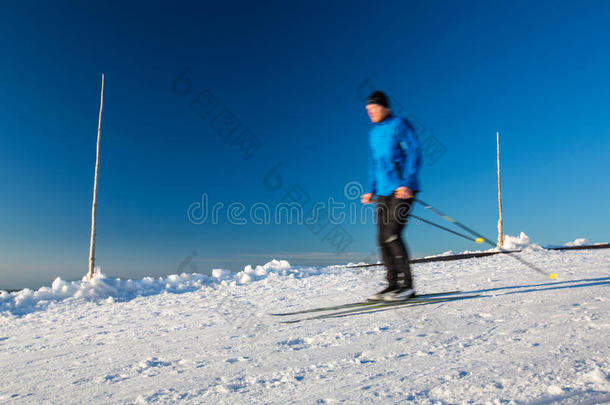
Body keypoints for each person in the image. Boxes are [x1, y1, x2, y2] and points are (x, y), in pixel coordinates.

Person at [361, 90, 422, 301]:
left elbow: (414, 151)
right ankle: (392, 284)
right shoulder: (373, 134)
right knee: (381, 238)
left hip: (403, 190)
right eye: (367, 110)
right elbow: (374, 163)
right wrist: (370, 189)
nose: (370, 113)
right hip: (383, 192)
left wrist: (406, 182)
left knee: (392, 234)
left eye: (373, 109)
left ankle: (407, 286)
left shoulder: (399, 124)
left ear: (385, 107)